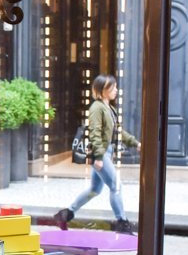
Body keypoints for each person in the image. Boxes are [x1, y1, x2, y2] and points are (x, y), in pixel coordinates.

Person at [53, 74, 139, 232]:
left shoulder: (108, 108)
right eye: (112, 87)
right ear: (102, 90)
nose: (116, 90)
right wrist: (98, 157)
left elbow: (117, 131)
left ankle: (65, 214)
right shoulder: (97, 108)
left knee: (94, 189)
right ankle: (122, 223)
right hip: (101, 153)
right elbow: (95, 133)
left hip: (104, 152)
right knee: (116, 186)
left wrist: (135, 143)